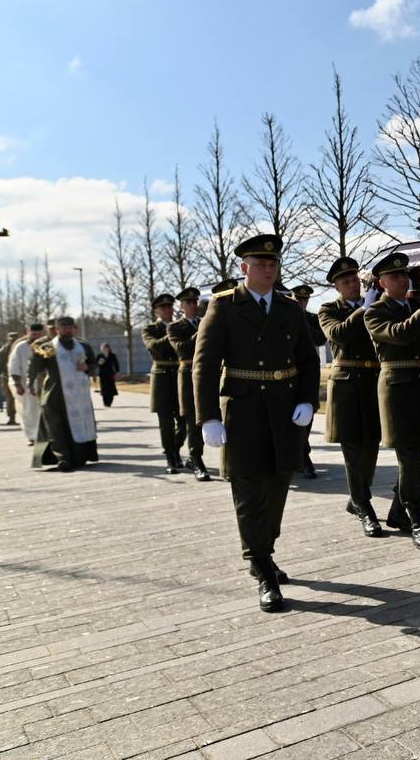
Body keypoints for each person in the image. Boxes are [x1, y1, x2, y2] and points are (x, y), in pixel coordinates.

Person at [193, 234, 321, 613]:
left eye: (274, 264)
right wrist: (208, 417)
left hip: (284, 410)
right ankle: (263, 568)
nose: (269, 269)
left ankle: (263, 551)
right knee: (249, 491)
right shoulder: (224, 307)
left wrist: (307, 400)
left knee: (278, 486)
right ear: (243, 268)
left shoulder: (288, 307)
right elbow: (204, 364)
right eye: (261, 264)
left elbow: (309, 360)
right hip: (244, 409)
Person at [363, 253, 420, 552]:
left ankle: (398, 511)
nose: (404, 280)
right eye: (397, 276)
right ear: (382, 282)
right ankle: (417, 522)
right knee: (411, 460)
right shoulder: (374, 312)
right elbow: (400, 336)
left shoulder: (417, 307)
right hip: (399, 392)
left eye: (406, 275)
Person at [318, 257, 385, 538]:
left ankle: (357, 496)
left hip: (372, 381)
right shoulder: (328, 310)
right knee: (352, 449)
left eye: (355, 279)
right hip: (347, 383)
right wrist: (364, 311)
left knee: (371, 444)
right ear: (336, 286)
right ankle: (363, 504)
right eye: (346, 282)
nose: (353, 284)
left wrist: (373, 302)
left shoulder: (373, 303)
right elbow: (340, 335)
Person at [28, 316, 98, 471]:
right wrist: (30, 382)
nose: (67, 330)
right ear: (56, 329)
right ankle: (63, 458)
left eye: (70, 327)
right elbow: (34, 368)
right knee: (56, 428)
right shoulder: (47, 347)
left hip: (79, 396)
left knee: (77, 426)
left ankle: (79, 458)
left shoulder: (84, 346)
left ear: (74, 328)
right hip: (55, 393)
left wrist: (87, 367)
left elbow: (94, 367)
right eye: (63, 327)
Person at [167, 287, 210, 481]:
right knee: (193, 420)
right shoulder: (174, 327)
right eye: (189, 303)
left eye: (195, 302)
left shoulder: (205, 322)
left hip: (208, 374)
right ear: (182, 306)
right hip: (187, 375)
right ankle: (195, 458)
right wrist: (201, 331)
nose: (193, 305)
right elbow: (182, 349)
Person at [143, 293, 187, 474]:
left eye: (169, 307)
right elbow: (153, 346)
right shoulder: (150, 328)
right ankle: (170, 458)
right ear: (156, 311)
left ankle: (175, 448)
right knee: (166, 421)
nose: (167, 310)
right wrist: (171, 334)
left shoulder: (181, 326)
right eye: (163, 308)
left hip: (179, 375)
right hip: (161, 376)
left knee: (185, 419)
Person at [292, 284, 328, 479]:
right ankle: (303, 458)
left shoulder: (312, 319)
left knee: (308, 418)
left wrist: (301, 320)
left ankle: (302, 456)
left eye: (305, 300)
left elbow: (320, 339)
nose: (302, 302)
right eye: (298, 299)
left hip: (308, 374)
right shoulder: (286, 315)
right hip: (289, 374)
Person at [8, 323, 46, 445]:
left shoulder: (47, 347)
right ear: (28, 333)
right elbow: (14, 366)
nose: (36, 337)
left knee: (46, 411)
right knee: (29, 411)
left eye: (39, 334)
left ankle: (47, 435)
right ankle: (32, 436)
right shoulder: (21, 347)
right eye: (34, 334)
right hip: (26, 385)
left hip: (45, 385)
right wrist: (18, 384)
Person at [0, 331, 18, 424]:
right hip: (7, 377)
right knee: (10, 398)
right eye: (11, 339)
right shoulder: (3, 350)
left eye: (14, 339)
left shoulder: (20, 347)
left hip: (20, 376)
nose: (12, 341)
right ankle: (12, 417)